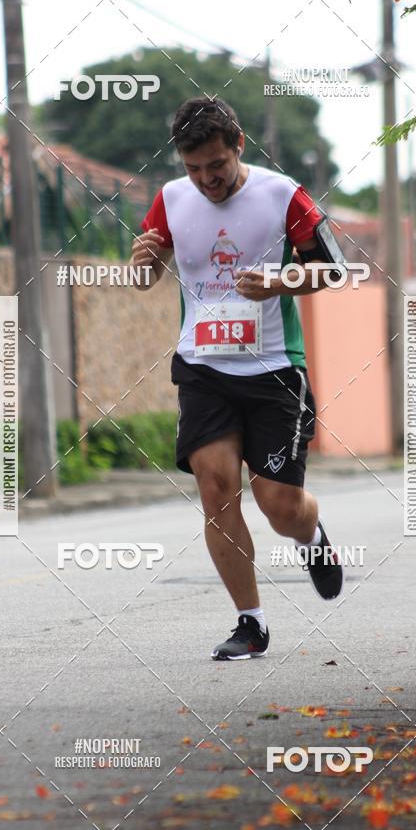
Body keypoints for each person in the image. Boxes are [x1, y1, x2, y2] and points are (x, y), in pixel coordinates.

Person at [131, 97, 342, 661]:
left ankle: (311, 534)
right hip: (203, 367)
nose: (206, 180)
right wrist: (142, 264)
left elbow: (333, 269)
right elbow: (146, 277)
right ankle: (251, 623)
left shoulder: (282, 194)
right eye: (193, 168)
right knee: (216, 488)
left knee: (279, 506)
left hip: (274, 369)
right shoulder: (171, 199)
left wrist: (279, 281)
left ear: (238, 145)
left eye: (216, 165)